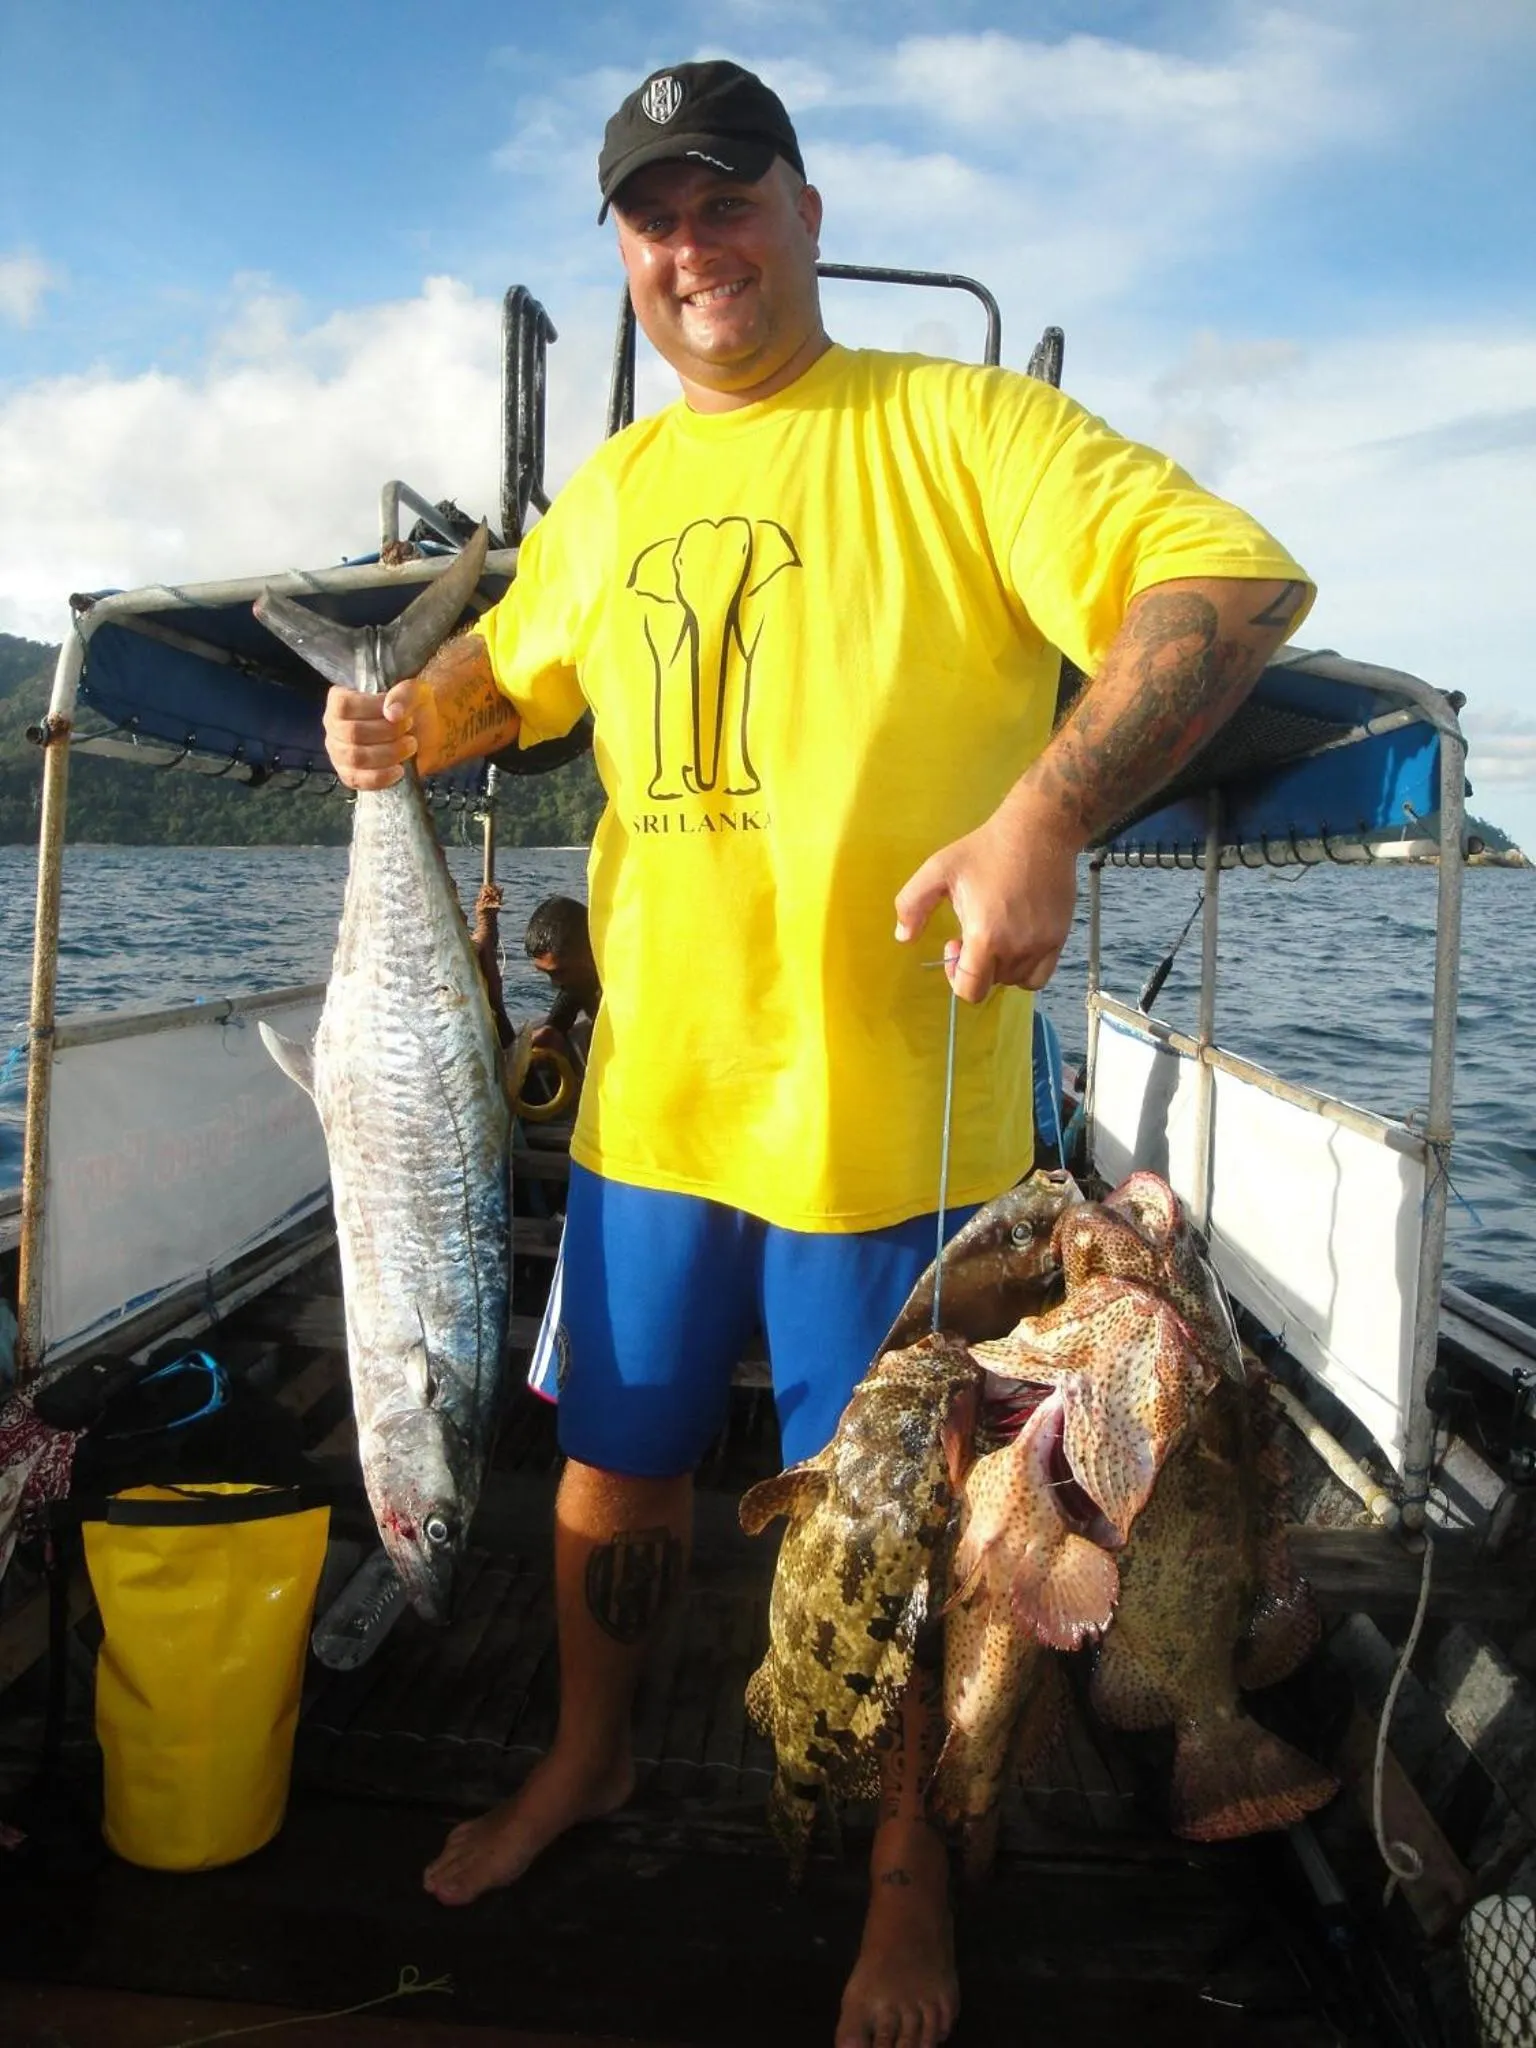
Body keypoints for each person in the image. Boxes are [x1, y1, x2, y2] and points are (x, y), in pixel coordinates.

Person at [321, 59, 1314, 2048]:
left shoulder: (961, 429)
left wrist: (1043, 812)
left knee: (898, 1530)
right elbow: (507, 673)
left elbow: (1233, 584)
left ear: (806, 207)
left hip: (896, 1116)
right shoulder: (603, 501)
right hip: (654, 1110)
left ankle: (905, 1874)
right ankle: (591, 1757)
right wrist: (406, 724)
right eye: (653, 215)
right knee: (611, 1471)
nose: (695, 243)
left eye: (729, 197)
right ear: (622, 253)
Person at [522, 894, 602, 1069]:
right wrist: (554, 1026)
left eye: (560, 972)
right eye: (547, 974)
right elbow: (575, 992)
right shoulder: (583, 974)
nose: (555, 983)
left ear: (590, 948)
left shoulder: (625, 984)